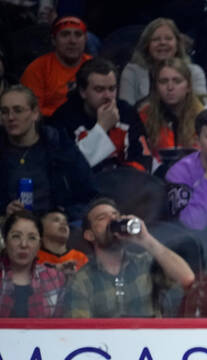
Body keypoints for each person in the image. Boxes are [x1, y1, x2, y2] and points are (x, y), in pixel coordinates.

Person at [61, 197, 196, 318]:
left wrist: (146, 240)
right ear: (89, 235)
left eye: (116, 215)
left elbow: (187, 279)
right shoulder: (83, 280)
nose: (113, 220)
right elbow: (79, 333)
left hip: (150, 343)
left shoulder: (145, 263)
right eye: (102, 218)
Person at [1, 85, 96, 222]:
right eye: (4, 112)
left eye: (18, 110)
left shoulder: (60, 146)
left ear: (35, 113)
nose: (10, 117)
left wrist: (61, 215)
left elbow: (89, 195)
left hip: (59, 223)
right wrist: (5, 212)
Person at [50, 58, 150, 173]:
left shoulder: (127, 113)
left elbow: (143, 159)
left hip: (124, 186)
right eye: (99, 89)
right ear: (83, 91)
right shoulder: (63, 118)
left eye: (112, 89)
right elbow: (69, 170)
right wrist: (102, 127)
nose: (107, 96)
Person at [138, 58, 207, 175]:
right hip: (156, 184)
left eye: (177, 81)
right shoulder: (143, 116)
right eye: (163, 81)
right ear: (156, 87)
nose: (170, 87)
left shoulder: (206, 117)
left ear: (189, 86)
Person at [119, 17, 207, 107]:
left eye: (168, 38)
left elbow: (204, 109)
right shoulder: (132, 71)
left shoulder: (194, 71)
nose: (162, 43)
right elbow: (126, 111)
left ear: (177, 44)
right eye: (156, 39)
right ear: (147, 44)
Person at [1, 209, 67, 317]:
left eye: (32, 238)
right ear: (5, 241)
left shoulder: (56, 278)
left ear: (39, 244)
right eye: (16, 236)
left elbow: (59, 329)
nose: (24, 244)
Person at [19, 15, 91, 117]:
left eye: (78, 35)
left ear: (86, 39)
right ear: (53, 40)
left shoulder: (95, 66)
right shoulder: (37, 69)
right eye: (65, 34)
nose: (72, 41)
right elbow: (30, 111)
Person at [37, 207, 88, 271]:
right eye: (56, 220)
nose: (64, 224)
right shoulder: (33, 258)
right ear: (40, 228)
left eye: (66, 222)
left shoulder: (81, 258)